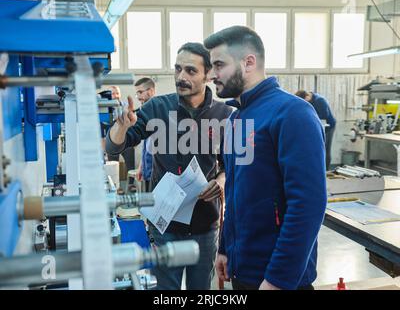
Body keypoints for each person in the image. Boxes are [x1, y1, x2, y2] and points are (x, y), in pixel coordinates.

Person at [204, 26, 327, 290]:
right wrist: (225, 248)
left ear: (248, 62)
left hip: (279, 278)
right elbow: (236, 193)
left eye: (218, 65)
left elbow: (308, 204)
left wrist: (278, 279)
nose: (211, 75)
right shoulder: (236, 119)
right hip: (243, 270)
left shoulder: (293, 114)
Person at [106, 42, 232, 290]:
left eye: (190, 71)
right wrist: (121, 126)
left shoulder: (224, 114)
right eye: (177, 69)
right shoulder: (157, 108)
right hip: (165, 225)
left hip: (205, 225)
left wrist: (220, 181)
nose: (181, 77)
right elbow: (113, 148)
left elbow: (229, 166)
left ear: (208, 74)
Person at [295, 90, 336, 170]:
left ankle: (325, 171)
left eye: (303, 101)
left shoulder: (320, 100)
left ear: (307, 97)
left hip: (328, 127)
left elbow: (325, 115)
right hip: (319, 125)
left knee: (325, 148)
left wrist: (309, 115)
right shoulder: (309, 98)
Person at [134, 77, 156, 192]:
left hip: (158, 171)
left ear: (151, 91)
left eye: (140, 92)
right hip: (148, 169)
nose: (138, 97)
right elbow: (146, 143)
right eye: (136, 93)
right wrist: (141, 166)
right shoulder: (144, 113)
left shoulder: (160, 111)